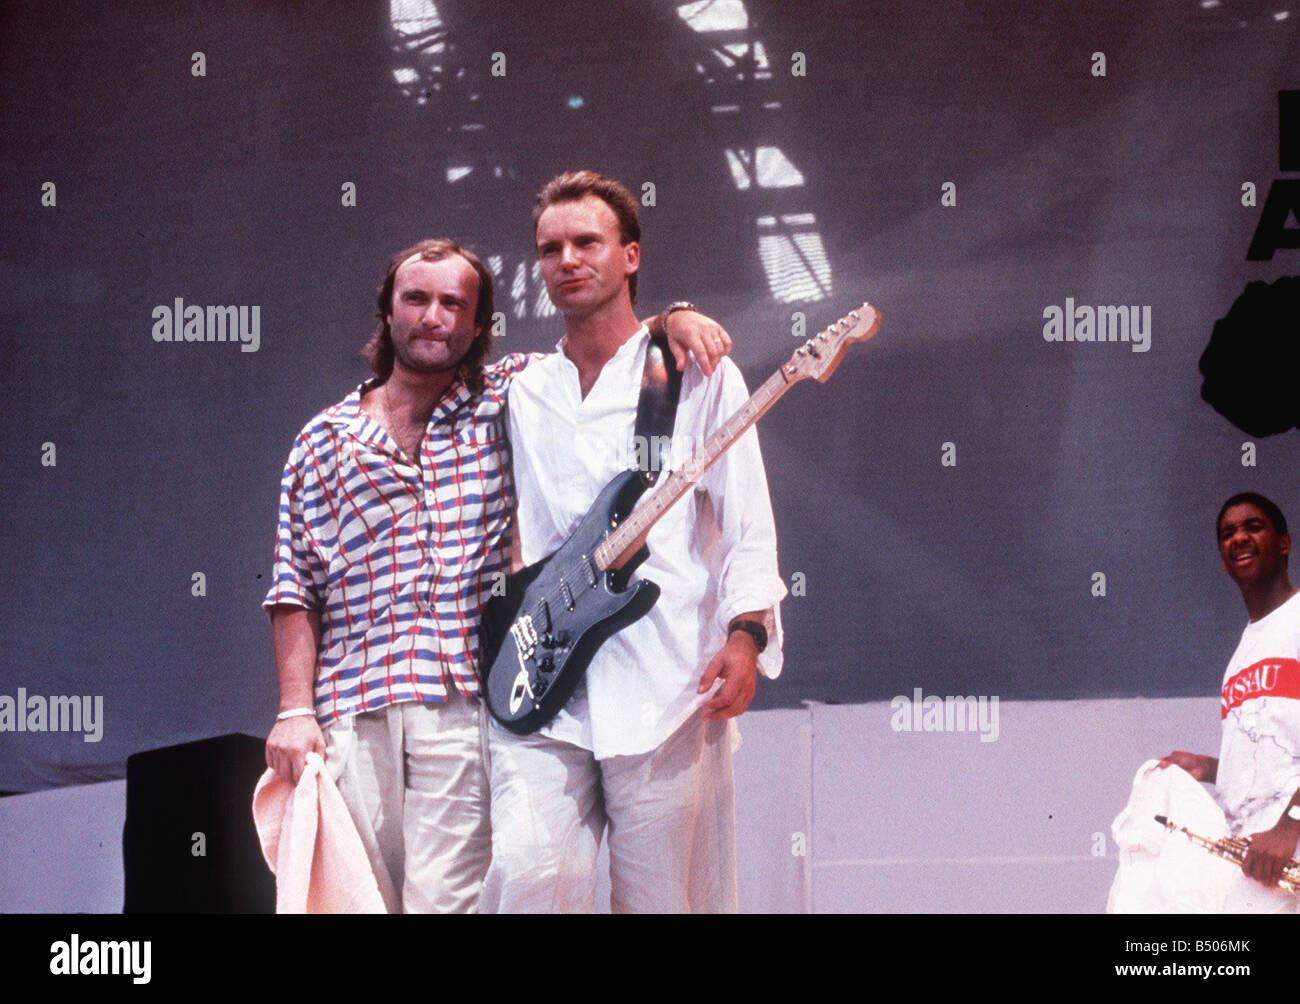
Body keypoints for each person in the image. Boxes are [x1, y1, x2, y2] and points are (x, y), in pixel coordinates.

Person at [262, 236, 732, 913]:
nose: (434, 317)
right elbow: (292, 584)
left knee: (446, 907)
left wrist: (673, 318)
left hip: (459, 701)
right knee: (347, 903)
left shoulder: (510, 396)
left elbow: (605, 341)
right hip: (347, 707)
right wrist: (294, 710)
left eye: (455, 304)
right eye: (417, 299)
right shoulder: (322, 439)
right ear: (386, 312)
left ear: (478, 325)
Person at [480, 171, 787, 913]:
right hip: (543, 675)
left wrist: (747, 632)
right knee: (529, 881)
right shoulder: (521, 389)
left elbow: (747, 515)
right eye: (550, 248)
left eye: (588, 242)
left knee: (667, 904)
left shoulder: (694, 375)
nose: (567, 259)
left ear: (631, 256)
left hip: (666, 679)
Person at [1157, 492, 1300, 890]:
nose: (1239, 537)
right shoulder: (1240, 657)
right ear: (1223, 561)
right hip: (1253, 861)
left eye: (1253, 527)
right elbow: (1275, 760)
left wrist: (1290, 825)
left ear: (1284, 543)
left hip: (1289, 848)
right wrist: (1209, 768)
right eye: (1228, 533)